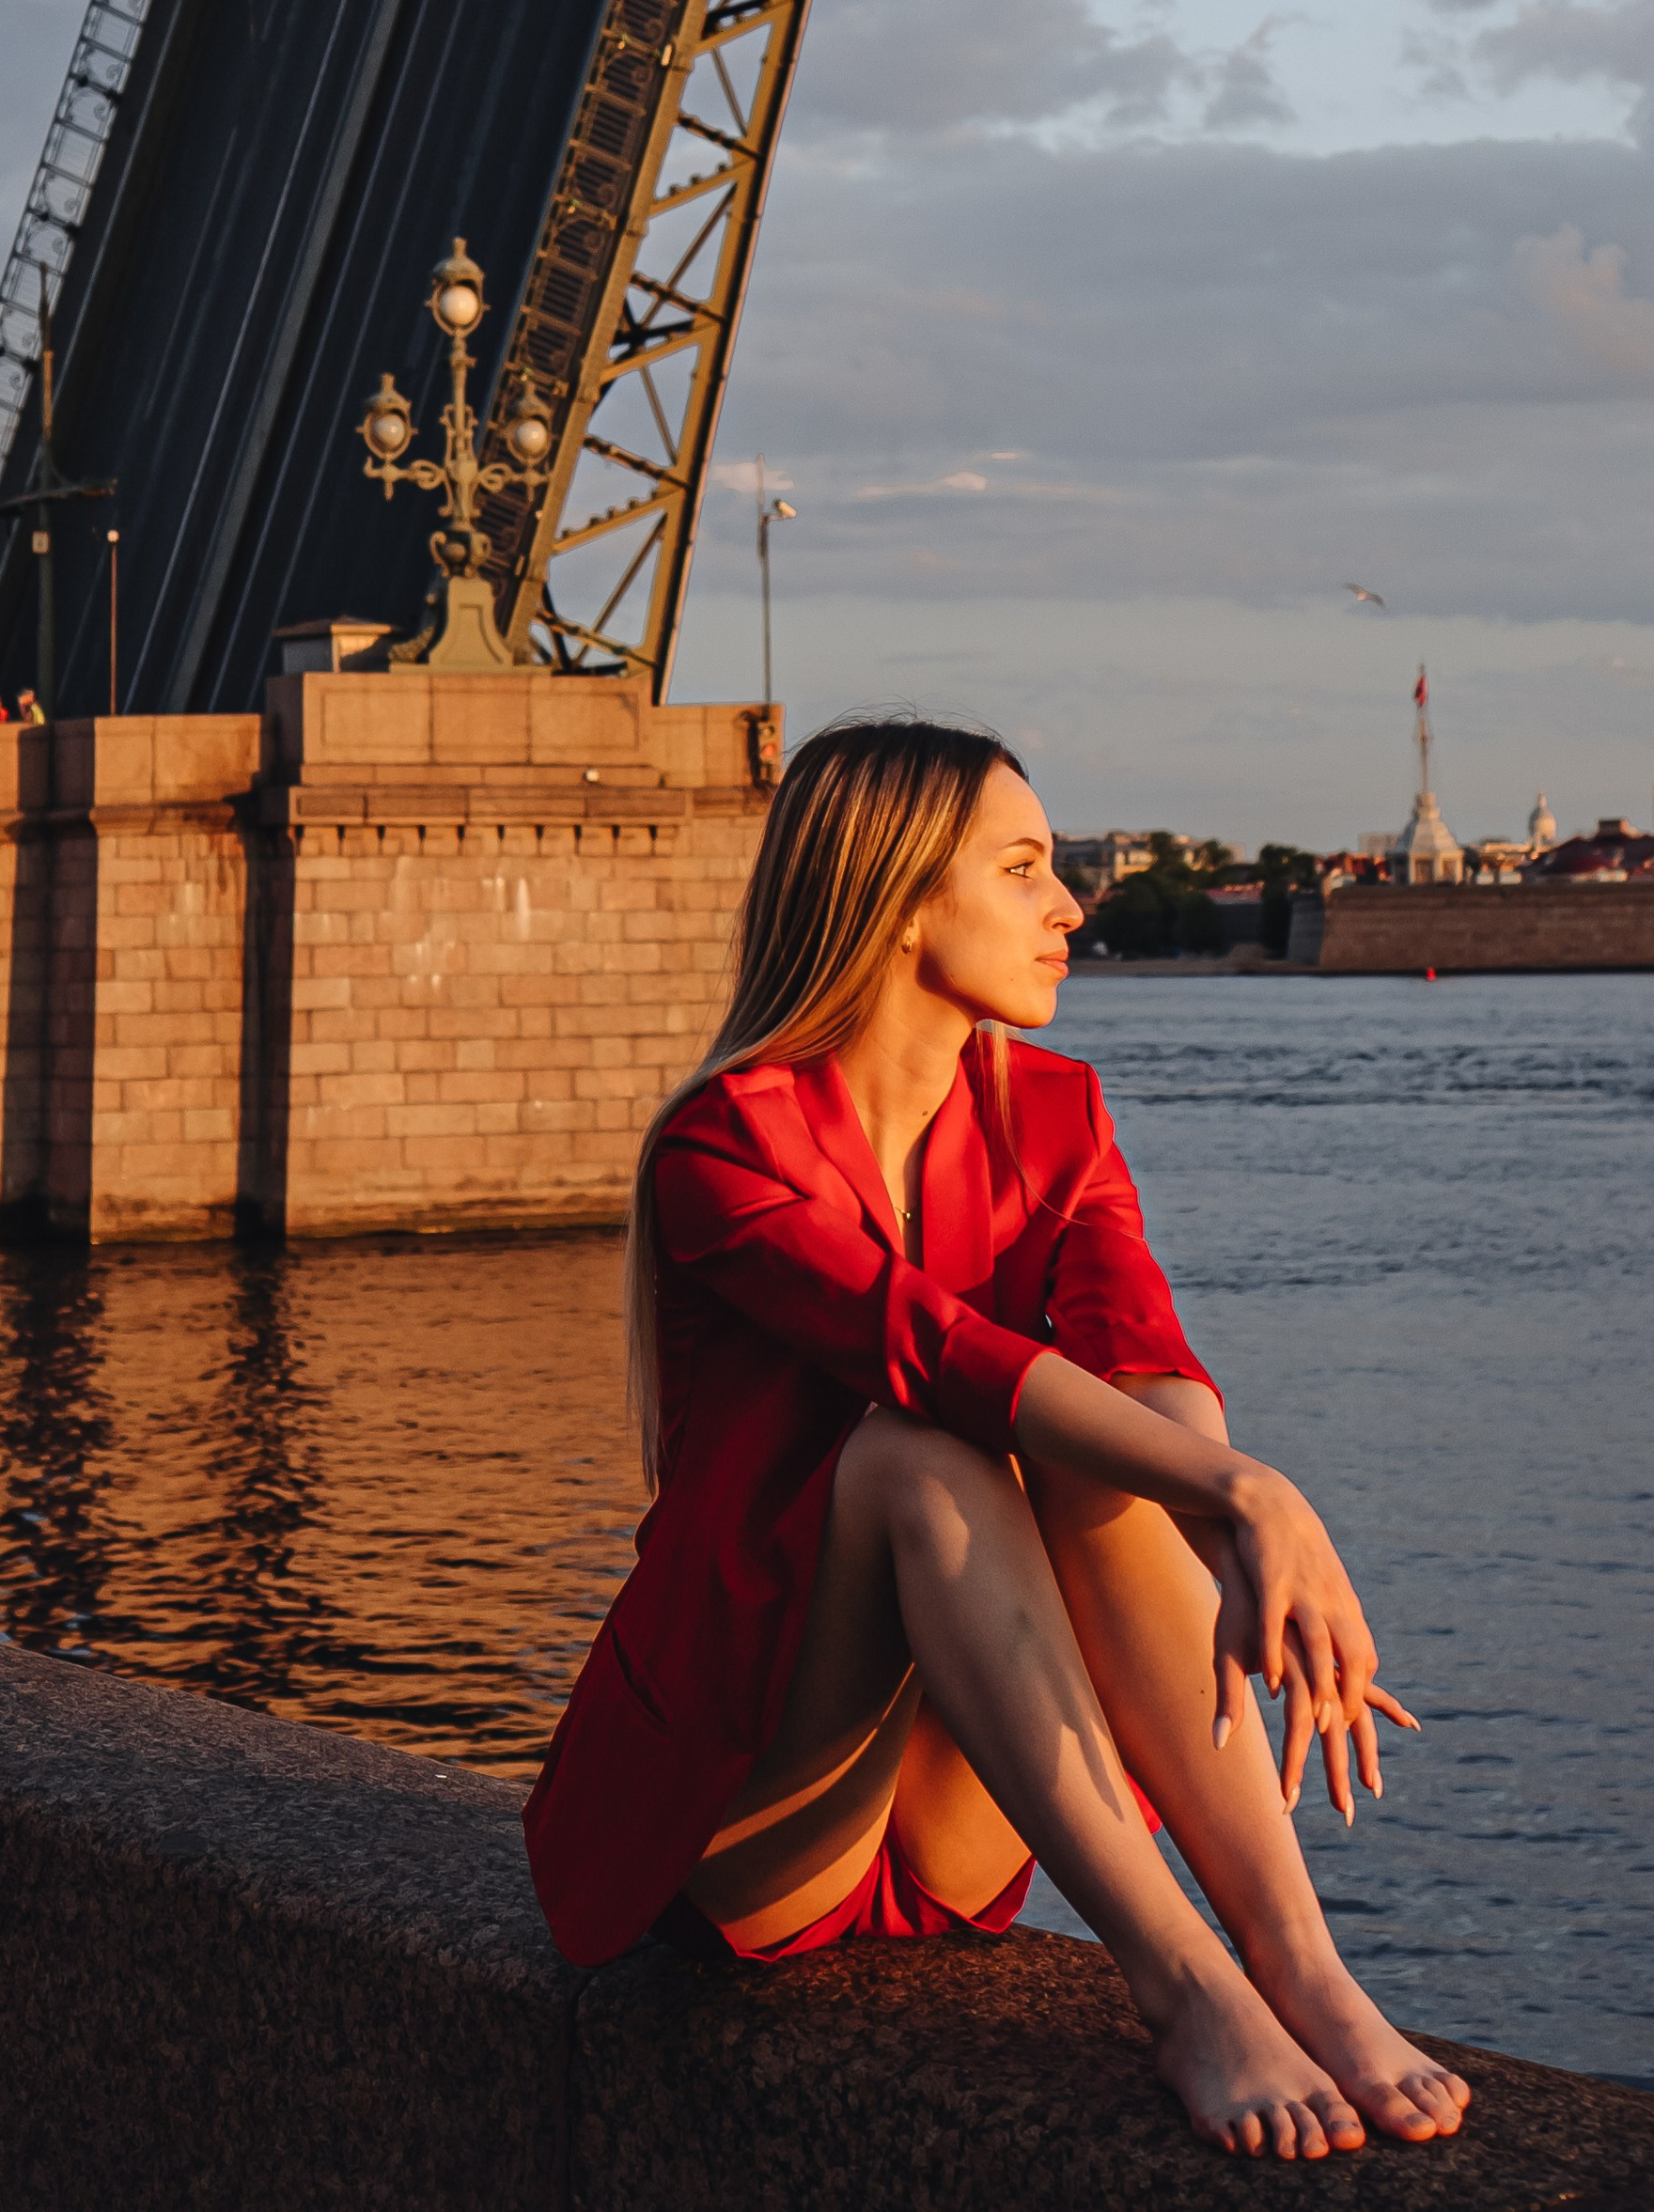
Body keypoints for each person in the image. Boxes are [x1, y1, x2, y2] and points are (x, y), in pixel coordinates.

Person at [525, 717, 1469, 2161]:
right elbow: (932, 1354)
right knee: (925, 1453)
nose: (1071, 906)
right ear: (900, 902)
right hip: (750, 1819)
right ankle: (1186, 1990)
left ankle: (1302, 1969)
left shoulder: (1058, 1115)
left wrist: (1232, 1522)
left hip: (959, 1822)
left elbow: (1137, 1353)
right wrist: (1252, 1491)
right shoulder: (726, 1148)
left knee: (1105, 1457)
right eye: (1023, 869)